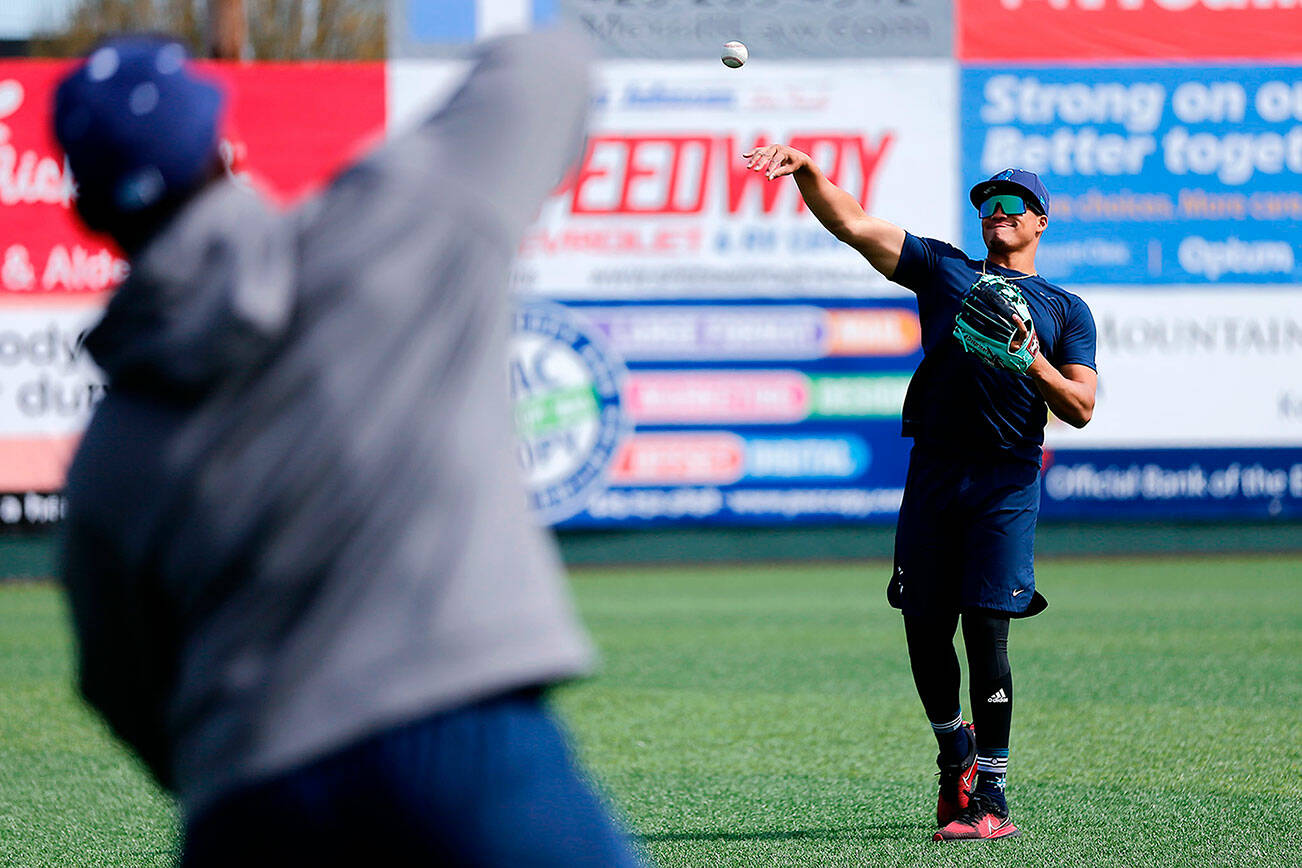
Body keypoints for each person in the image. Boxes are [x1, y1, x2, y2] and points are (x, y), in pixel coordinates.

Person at [56, 32, 643, 866]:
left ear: (88, 216)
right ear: (224, 150)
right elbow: (550, 67)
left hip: (248, 800)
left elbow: (120, 684)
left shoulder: (108, 456)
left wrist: (235, 760)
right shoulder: (394, 223)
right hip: (456, 743)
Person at [742, 147, 1097, 841]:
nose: (995, 213)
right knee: (924, 625)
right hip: (935, 471)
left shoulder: (1066, 308)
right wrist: (810, 171)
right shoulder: (946, 270)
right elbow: (853, 224)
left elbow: (1082, 408)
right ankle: (954, 749)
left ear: (1041, 222)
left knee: (987, 632)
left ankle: (992, 800)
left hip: (1006, 479)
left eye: (1010, 204)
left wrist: (1032, 363)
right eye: (986, 204)